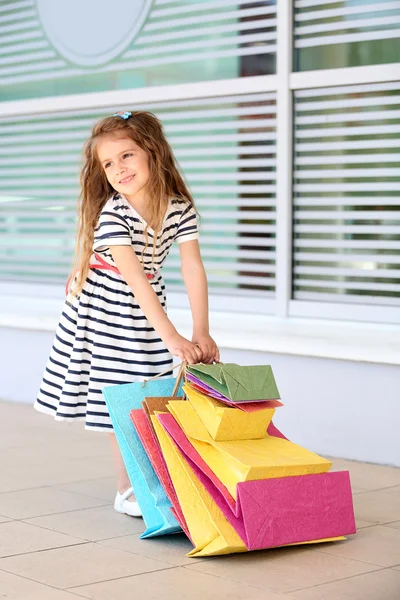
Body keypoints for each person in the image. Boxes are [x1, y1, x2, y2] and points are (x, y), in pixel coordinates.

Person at [34, 110, 220, 517]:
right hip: (105, 305)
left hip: (148, 303)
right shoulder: (114, 216)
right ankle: (126, 488)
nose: (118, 169)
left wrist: (201, 330)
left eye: (127, 156)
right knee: (122, 390)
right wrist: (172, 336)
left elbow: (192, 267)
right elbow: (133, 279)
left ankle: (153, 477)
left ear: (153, 153)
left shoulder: (179, 208)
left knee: (151, 387)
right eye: (109, 163)